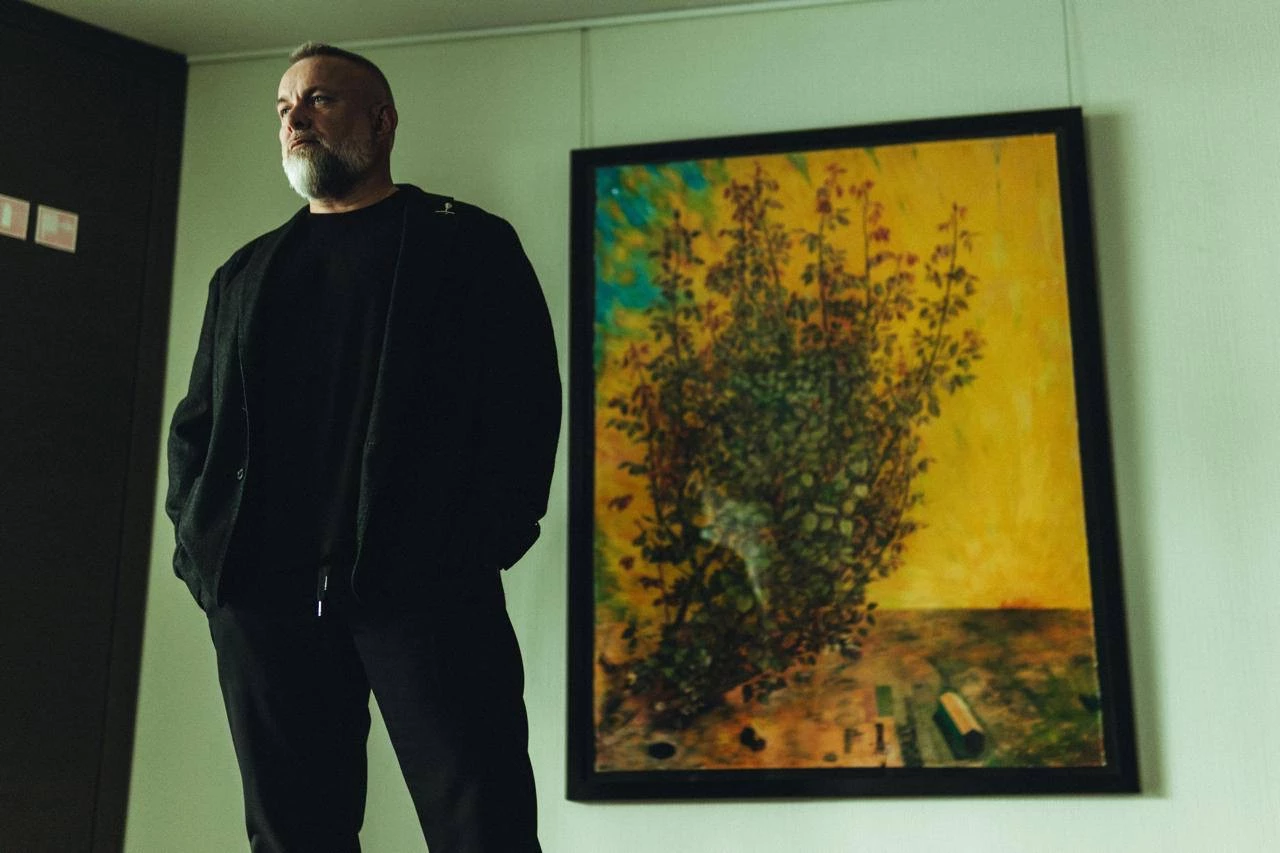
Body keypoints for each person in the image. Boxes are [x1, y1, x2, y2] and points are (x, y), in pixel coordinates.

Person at [165, 41, 560, 853]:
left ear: (381, 123)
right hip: (265, 600)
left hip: (424, 587)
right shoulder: (244, 273)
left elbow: (525, 405)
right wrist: (206, 562)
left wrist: (475, 545)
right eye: (284, 109)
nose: (296, 120)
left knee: (482, 824)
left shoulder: (468, 244)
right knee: (292, 837)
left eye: (319, 100)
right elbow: (197, 427)